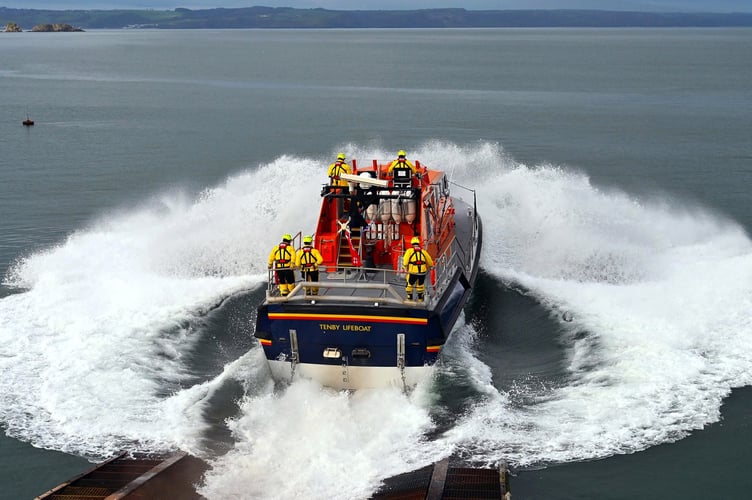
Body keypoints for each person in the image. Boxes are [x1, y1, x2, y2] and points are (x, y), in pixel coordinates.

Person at [402, 236, 434, 301]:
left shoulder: (409, 251)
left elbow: (405, 260)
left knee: (409, 285)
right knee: (420, 285)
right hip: (422, 272)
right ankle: (420, 299)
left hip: (413, 272)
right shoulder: (423, 251)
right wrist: (431, 266)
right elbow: (429, 260)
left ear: (412, 243)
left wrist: (404, 267)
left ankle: (409, 298)